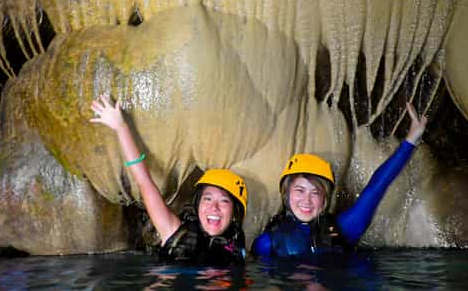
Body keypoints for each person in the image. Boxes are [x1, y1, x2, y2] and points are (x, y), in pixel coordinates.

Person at [252, 102, 428, 259]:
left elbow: (376, 187)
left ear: (325, 200)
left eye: (315, 192)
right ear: (286, 194)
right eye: (300, 190)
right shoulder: (266, 243)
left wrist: (411, 141)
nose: (307, 200)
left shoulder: (345, 229)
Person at [90, 93, 247, 264]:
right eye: (207, 199)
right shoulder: (173, 231)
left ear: (234, 214)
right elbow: (144, 181)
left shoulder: (237, 251)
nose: (214, 208)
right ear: (197, 205)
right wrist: (121, 127)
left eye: (224, 201)